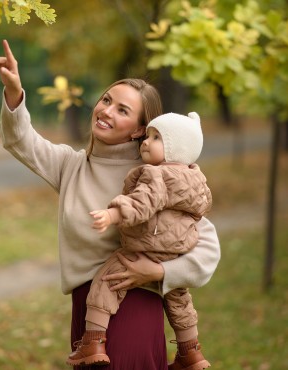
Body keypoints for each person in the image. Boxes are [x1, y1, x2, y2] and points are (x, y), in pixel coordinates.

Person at [0, 39, 221, 370]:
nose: (107, 111)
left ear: (141, 129)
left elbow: (208, 248)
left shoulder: (157, 177)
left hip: (136, 305)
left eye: (122, 110)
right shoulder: (71, 166)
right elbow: (20, 140)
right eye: (106, 100)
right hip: (88, 312)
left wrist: (159, 271)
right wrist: (14, 92)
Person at [69, 111, 212, 369]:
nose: (146, 142)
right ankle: (190, 351)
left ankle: (93, 341)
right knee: (179, 299)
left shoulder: (156, 175)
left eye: (156, 138)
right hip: (177, 251)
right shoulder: (197, 179)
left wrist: (113, 214)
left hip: (147, 246)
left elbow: (142, 203)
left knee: (106, 282)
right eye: (147, 135)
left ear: (174, 149)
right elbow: (201, 209)